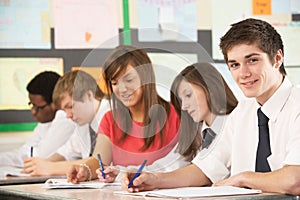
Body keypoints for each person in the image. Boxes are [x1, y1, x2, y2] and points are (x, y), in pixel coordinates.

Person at [120, 18, 300, 195]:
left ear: (277, 59)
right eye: (235, 65)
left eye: (252, 60)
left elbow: (295, 180)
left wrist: (243, 178)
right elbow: (205, 169)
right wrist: (155, 180)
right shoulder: (242, 114)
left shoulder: (297, 105)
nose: (243, 73)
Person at [96, 62, 238, 183]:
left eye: (188, 95)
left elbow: (206, 171)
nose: (184, 107)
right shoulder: (198, 133)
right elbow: (168, 165)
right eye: (181, 100)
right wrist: (121, 172)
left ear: (210, 88)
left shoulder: (235, 122)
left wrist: (156, 180)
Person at [67, 45, 179, 183]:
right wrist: (85, 170)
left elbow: (184, 163)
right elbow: (99, 160)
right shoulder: (110, 119)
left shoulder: (175, 116)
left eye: (129, 80)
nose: (122, 89)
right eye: (115, 83)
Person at [21, 70, 110, 176]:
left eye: (70, 106)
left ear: (89, 95)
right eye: (64, 110)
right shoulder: (84, 122)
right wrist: (39, 165)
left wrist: (49, 168)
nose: (68, 115)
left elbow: (98, 163)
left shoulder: (111, 114)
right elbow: (66, 152)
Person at [0, 71, 76, 167]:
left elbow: (41, 156)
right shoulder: (45, 123)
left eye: (38, 107)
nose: (33, 112)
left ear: (55, 104)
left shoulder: (66, 119)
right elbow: (26, 152)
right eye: (31, 105)